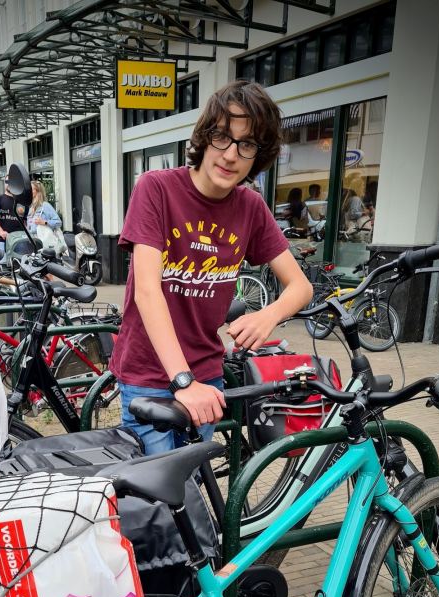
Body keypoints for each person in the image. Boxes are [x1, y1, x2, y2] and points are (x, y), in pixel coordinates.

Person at [109, 78, 313, 454]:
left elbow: (301, 286)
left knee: (188, 483)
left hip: (206, 377)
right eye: (222, 136)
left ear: (258, 155)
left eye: (246, 144)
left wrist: (268, 316)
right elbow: (147, 292)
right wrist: (183, 382)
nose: (231, 155)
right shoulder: (156, 188)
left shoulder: (250, 207)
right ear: (204, 137)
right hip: (149, 374)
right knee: (160, 488)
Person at [0, 177, 24, 257]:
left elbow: (25, 222)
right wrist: (1, 231)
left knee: (20, 263)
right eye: (7, 181)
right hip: (3, 241)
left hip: (19, 242)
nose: (9, 183)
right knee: (3, 263)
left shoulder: (21, 201)